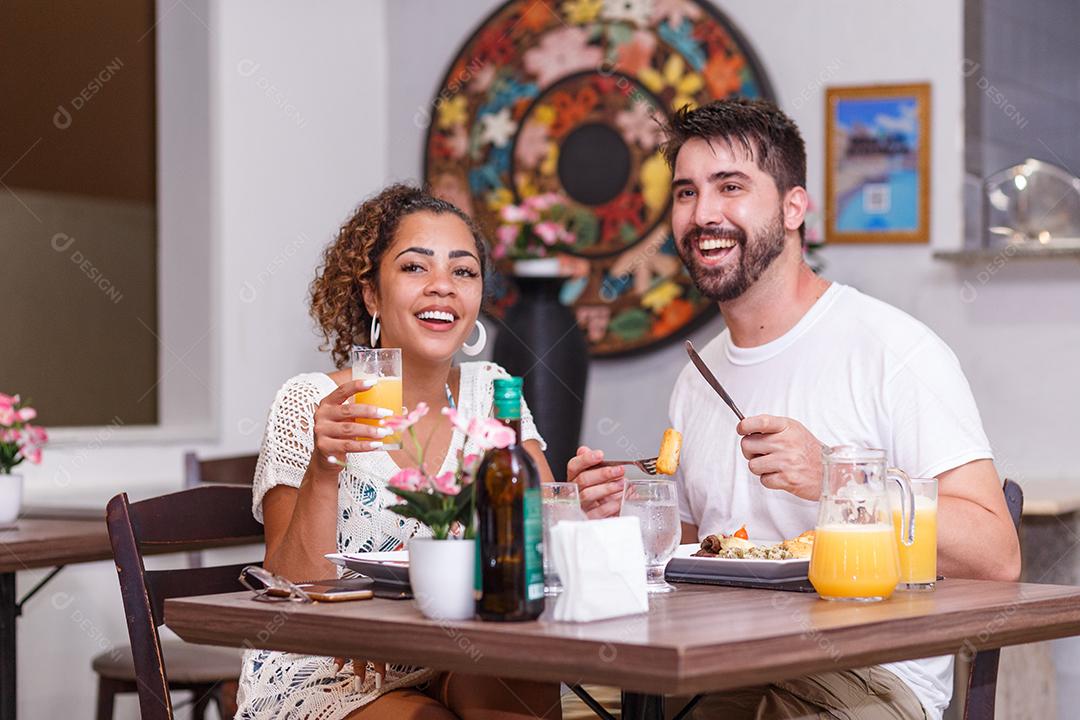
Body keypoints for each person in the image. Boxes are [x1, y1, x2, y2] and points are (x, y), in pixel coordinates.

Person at [569, 99, 1020, 720]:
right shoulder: (697, 379)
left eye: (731, 187)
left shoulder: (894, 350)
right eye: (685, 193)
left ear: (793, 207)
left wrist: (833, 478)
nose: (703, 214)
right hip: (718, 662)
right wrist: (630, 513)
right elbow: (712, 548)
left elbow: (997, 556)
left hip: (864, 675)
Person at [236, 185, 561, 719]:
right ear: (371, 294)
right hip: (334, 667)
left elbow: (542, 539)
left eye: (463, 271)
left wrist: (580, 503)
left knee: (521, 691)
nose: (442, 288)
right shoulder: (311, 402)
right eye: (415, 268)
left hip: (459, 650)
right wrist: (323, 470)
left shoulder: (491, 391)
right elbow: (289, 588)